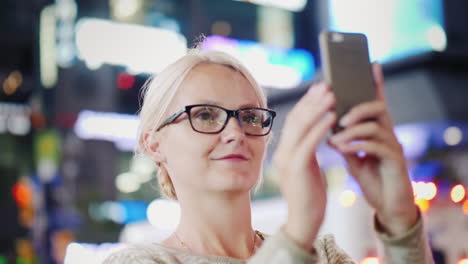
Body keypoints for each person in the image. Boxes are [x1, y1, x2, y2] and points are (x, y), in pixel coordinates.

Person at [103, 47, 434, 263]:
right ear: (154, 144)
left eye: (249, 117)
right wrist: (297, 232)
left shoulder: (324, 256)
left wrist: (400, 218)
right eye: (204, 115)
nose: (234, 132)